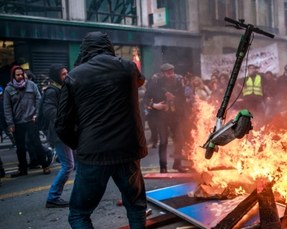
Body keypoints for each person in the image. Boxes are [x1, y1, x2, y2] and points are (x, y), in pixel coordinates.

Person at [55, 31, 148, 228]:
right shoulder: (128, 68)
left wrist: (79, 145)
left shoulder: (74, 76)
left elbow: (62, 125)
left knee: (79, 214)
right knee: (136, 207)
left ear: (84, 50)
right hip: (128, 151)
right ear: (109, 46)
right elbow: (140, 81)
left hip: (94, 152)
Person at [3, 65, 51, 177]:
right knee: (20, 147)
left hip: (31, 120)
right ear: (13, 76)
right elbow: (7, 108)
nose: (20, 76)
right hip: (17, 122)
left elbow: (39, 100)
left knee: (36, 144)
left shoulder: (32, 85)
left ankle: (45, 166)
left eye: (21, 74)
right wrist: (10, 123)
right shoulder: (8, 89)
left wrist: (37, 114)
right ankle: (23, 170)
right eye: (18, 75)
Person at [144, 63, 188, 173]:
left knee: (180, 139)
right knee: (163, 141)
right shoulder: (155, 82)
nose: (171, 75)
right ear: (162, 73)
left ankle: (177, 164)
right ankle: (163, 167)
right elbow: (146, 99)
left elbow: (183, 98)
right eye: (168, 73)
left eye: (172, 72)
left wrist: (175, 98)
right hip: (160, 116)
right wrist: (155, 105)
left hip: (174, 115)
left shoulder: (178, 81)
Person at [44, 64, 74, 208]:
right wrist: (64, 121)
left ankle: (80, 193)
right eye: (63, 74)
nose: (66, 76)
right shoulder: (52, 91)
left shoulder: (62, 88)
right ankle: (53, 197)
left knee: (75, 164)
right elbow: (49, 110)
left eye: (67, 73)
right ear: (57, 76)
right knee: (68, 165)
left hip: (66, 132)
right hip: (59, 134)